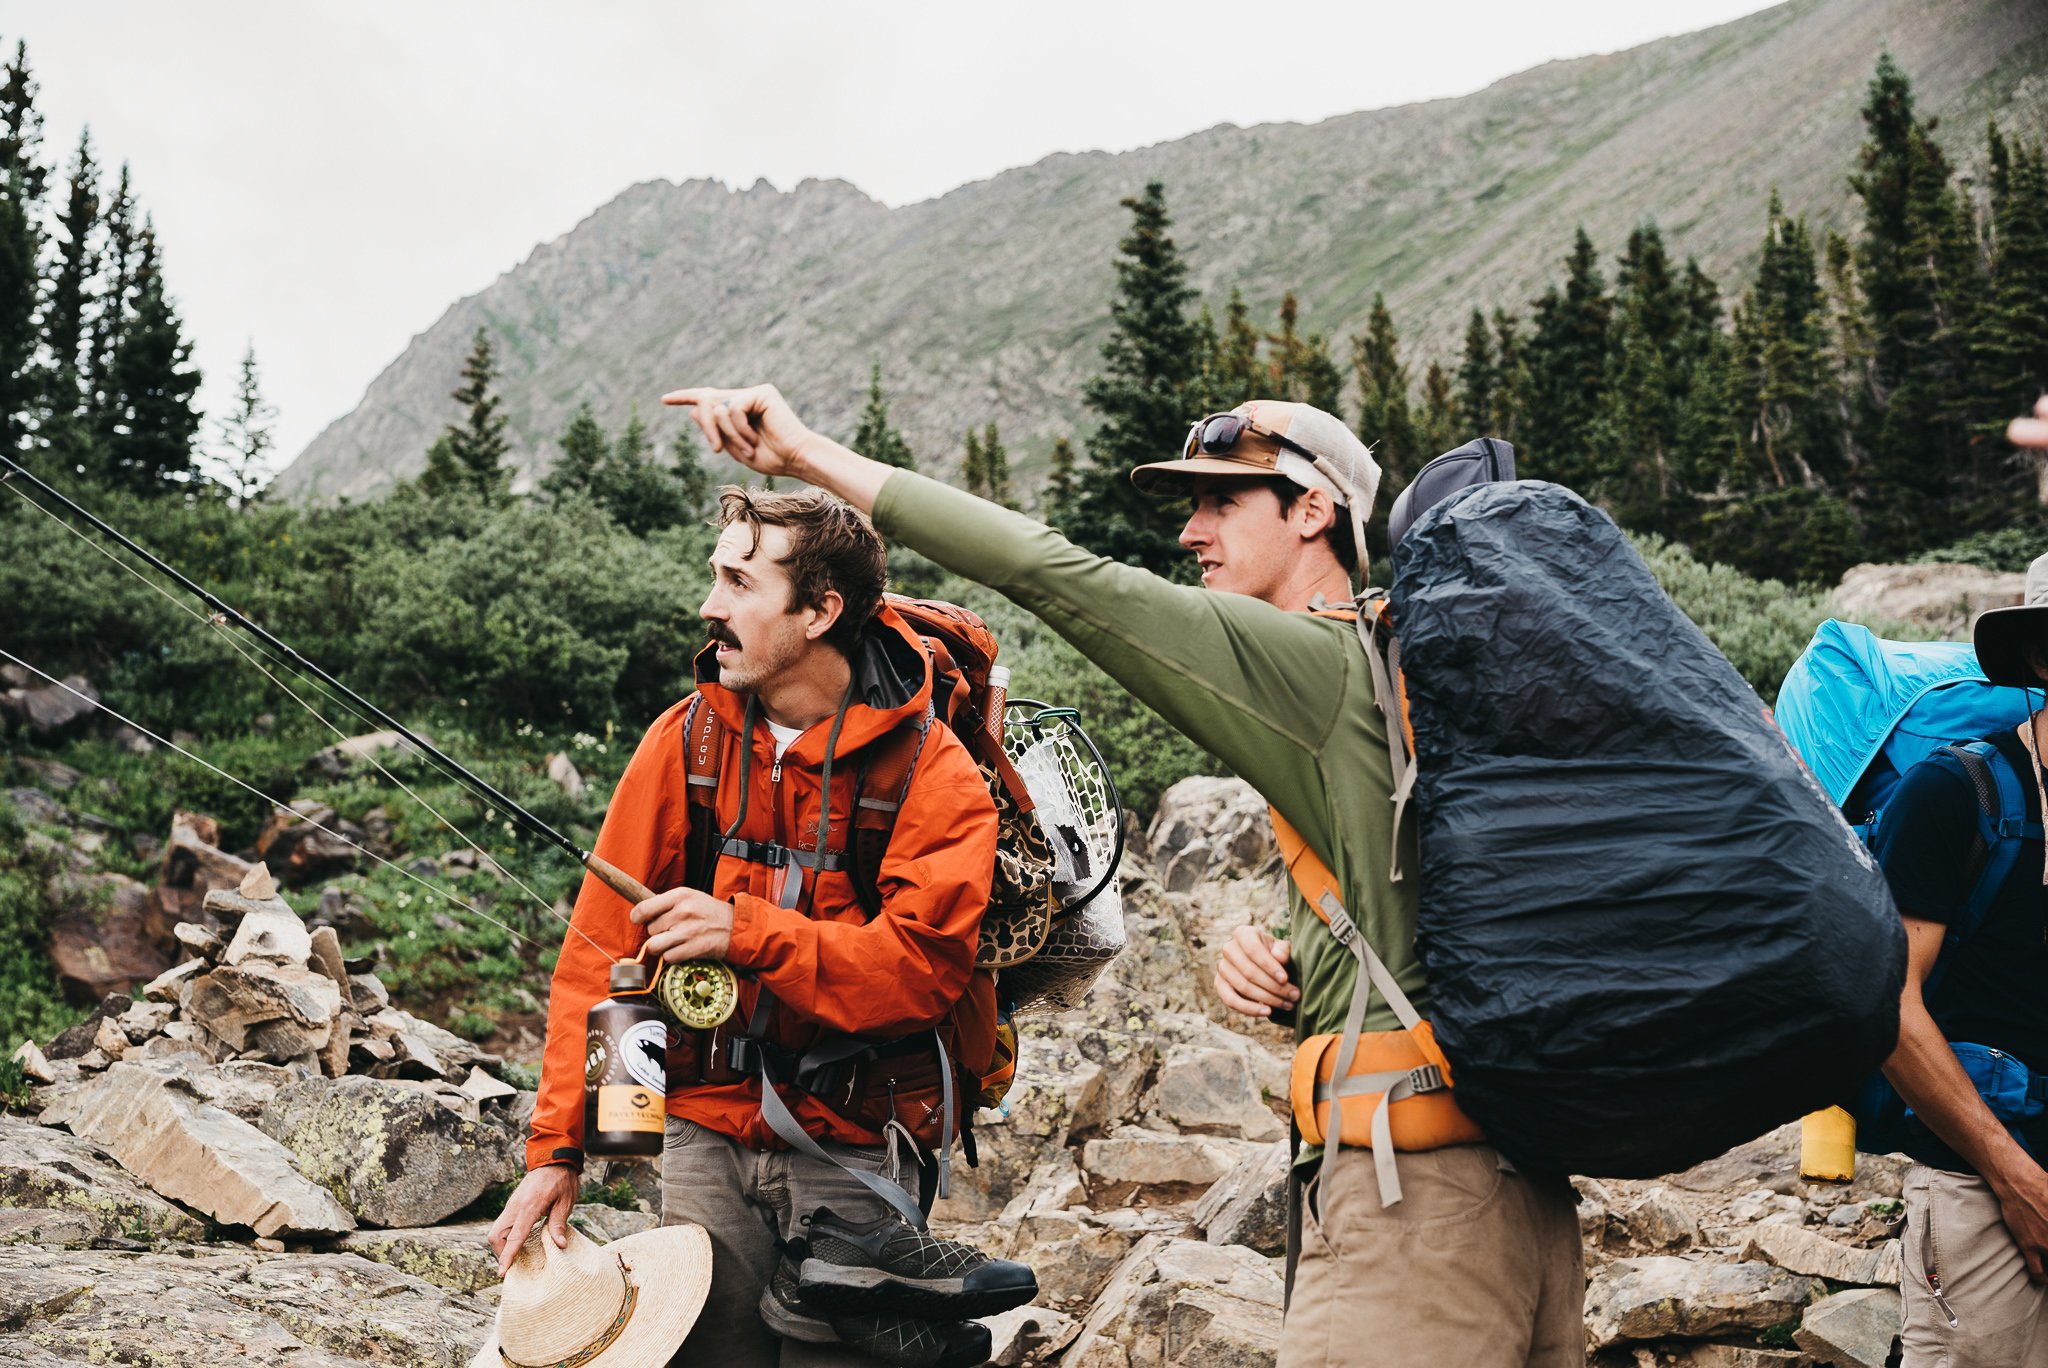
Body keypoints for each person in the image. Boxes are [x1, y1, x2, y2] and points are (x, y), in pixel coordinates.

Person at [662, 385, 1586, 1368]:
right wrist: (1309, 968)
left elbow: (1050, 572)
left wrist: (804, 454)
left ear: (1313, 510)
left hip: (1413, 1202)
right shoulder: (1410, 673)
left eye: (1221, 501)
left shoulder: (1313, 661)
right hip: (1521, 1191)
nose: (1191, 532)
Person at [488, 487, 1009, 1368]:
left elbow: (918, 973)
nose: (709, 605)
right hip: (701, 1131)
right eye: (715, 576)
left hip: (859, 1140)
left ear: (820, 612)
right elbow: (598, 955)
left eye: (739, 582)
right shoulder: (684, 740)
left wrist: (744, 933)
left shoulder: (934, 771)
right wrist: (558, 1151)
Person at [1871, 394, 2048, 1367]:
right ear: (2039, 654)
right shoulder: (1954, 795)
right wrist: (2015, 1179)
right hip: (1981, 1190)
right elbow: (1888, 1009)